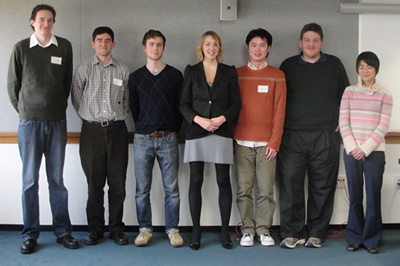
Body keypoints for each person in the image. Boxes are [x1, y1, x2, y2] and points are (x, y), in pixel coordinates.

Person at [7, 4, 79, 254]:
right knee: (29, 182)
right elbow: (13, 87)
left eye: (50, 20)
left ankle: (63, 232)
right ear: (32, 22)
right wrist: (28, 111)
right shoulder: (21, 48)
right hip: (29, 124)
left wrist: (55, 107)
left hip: (57, 122)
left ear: (53, 23)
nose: (45, 24)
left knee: (57, 180)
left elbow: (66, 82)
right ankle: (30, 234)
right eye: (41, 20)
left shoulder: (64, 47)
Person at [278, 22, 350, 249]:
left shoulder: (335, 65)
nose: (311, 44)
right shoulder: (288, 66)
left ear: (321, 43)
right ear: (300, 43)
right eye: (307, 40)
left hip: (325, 136)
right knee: (291, 186)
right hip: (292, 136)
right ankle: (292, 232)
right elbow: (278, 100)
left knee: (322, 186)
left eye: (315, 40)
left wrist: (342, 121)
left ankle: (317, 232)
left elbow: (346, 97)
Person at [180, 31, 241, 250]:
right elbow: (184, 104)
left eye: (215, 44)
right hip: (197, 131)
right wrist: (199, 121)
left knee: (223, 181)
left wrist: (221, 118)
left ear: (220, 47)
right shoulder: (192, 71)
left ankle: (225, 232)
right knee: (196, 181)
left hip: (221, 130)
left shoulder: (229, 71)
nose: (211, 47)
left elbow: (236, 103)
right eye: (208, 44)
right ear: (201, 47)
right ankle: (196, 233)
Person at [71, 26, 130, 246]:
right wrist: (91, 118)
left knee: (118, 184)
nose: (103, 44)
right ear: (92, 43)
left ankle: (116, 228)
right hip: (92, 132)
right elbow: (77, 99)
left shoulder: (123, 70)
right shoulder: (84, 69)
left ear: (113, 44)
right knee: (94, 184)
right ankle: (95, 229)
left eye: (107, 40)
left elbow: (127, 101)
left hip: (117, 131)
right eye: (99, 40)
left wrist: (117, 116)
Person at [128, 30, 183, 247]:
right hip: (143, 139)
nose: (155, 48)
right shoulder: (136, 77)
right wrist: (144, 128)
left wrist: (171, 130)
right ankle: (144, 229)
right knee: (142, 189)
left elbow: (180, 108)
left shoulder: (174, 76)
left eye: (159, 44)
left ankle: (173, 229)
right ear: (144, 47)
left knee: (172, 189)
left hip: (168, 137)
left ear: (163, 47)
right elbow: (134, 109)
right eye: (151, 44)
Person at [234, 28, 286, 247]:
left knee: (266, 190)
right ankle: (247, 229)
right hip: (241, 142)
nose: (258, 49)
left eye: (262, 45)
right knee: (243, 190)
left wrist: (274, 142)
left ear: (269, 48)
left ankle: (264, 229)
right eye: (254, 44)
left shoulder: (277, 75)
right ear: (248, 47)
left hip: (267, 145)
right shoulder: (236, 74)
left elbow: (279, 111)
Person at [339, 51, 392, 254]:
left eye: (369, 67)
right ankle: (354, 237)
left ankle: (372, 239)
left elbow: (383, 125)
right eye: (361, 67)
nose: (365, 70)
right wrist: (354, 148)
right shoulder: (349, 91)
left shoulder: (385, 94)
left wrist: (366, 148)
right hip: (352, 151)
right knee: (354, 196)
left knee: (373, 196)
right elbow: (343, 122)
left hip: (374, 152)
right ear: (357, 69)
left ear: (375, 69)